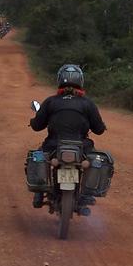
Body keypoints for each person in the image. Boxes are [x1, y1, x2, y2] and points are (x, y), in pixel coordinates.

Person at [28, 63, 106, 208]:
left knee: (38, 155)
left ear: (59, 79)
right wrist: (101, 125)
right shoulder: (88, 103)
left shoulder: (51, 101)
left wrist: (33, 121)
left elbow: (37, 126)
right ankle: (87, 194)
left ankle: (39, 191)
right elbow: (99, 129)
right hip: (82, 147)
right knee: (95, 160)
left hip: (53, 145)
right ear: (80, 81)